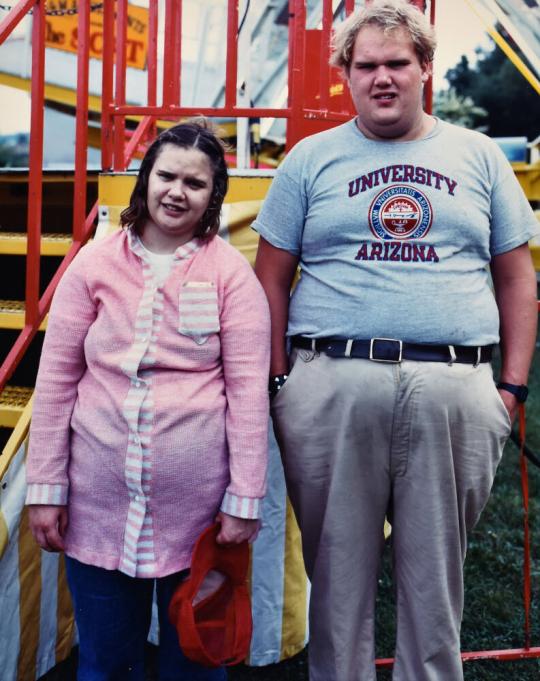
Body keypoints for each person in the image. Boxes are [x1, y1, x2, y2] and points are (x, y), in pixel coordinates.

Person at [253, 2, 538, 680]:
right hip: (333, 383)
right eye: (367, 66)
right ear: (345, 75)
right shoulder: (307, 161)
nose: (383, 78)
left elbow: (519, 279)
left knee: (434, 584)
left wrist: (511, 388)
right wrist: (280, 383)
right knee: (337, 581)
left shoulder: (480, 158)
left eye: (397, 64)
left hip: (454, 387)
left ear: (425, 70)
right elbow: (269, 279)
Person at [26, 120, 270, 681]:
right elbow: (58, 380)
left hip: (199, 517)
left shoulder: (230, 274)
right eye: (166, 175)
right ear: (145, 178)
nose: (177, 192)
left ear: (214, 196)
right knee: (107, 661)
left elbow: (247, 394)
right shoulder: (92, 264)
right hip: (97, 508)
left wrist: (244, 499)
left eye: (196, 182)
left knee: (194, 660)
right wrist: (45, 489)